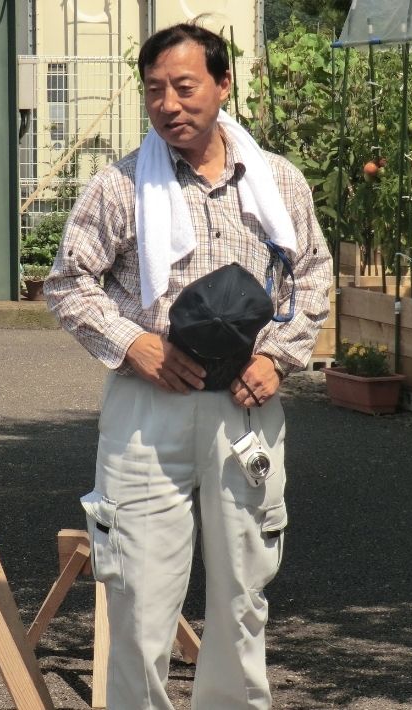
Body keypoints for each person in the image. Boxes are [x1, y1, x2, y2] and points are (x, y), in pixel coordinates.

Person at [43, 23, 332, 708]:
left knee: (241, 601)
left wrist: (282, 359)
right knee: (139, 604)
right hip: (147, 409)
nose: (168, 104)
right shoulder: (117, 187)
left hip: (247, 402)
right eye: (153, 91)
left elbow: (311, 276)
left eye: (183, 86)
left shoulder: (277, 181)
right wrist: (131, 342)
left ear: (222, 85)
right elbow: (67, 282)